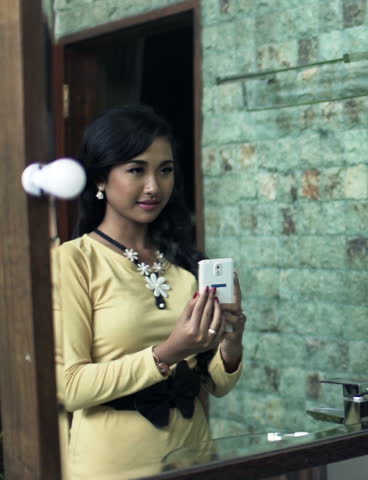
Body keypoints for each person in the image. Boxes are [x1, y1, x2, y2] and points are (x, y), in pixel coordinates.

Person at [53, 105, 246, 479]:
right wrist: (168, 352)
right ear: (100, 179)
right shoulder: (74, 261)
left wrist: (232, 341)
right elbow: (71, 387)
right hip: (114, 465)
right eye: (137, 170)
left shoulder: (183, 263)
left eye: (165, 170)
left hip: (195, 454)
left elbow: (215, 384)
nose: (154, 187)